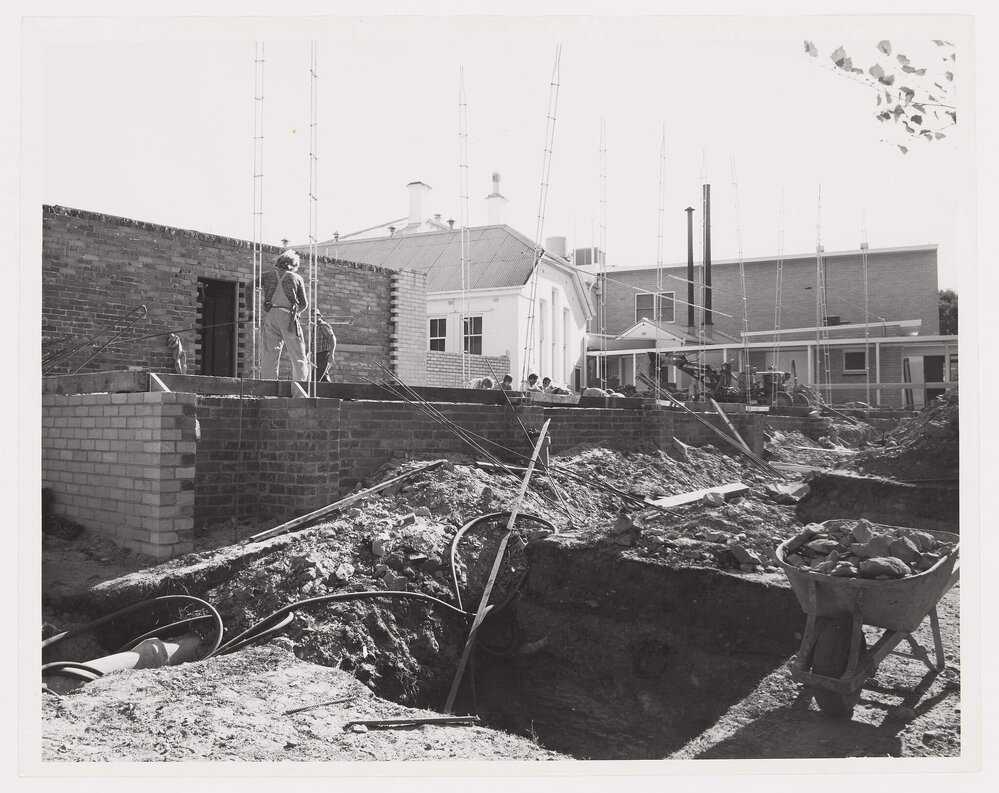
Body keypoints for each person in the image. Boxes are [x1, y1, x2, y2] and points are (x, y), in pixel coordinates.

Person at [259, 250, 309, 381]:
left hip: (271, 317)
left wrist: (250, 311)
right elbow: (304, 304)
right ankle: (299, 387)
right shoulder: (296, 278)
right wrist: (296, 313)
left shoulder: (267, 275)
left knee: (269, 355)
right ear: (294, 264)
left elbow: (249, 287)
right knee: (298, 354)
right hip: (288, 318)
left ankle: (268, 387)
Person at [312, 310, 337, 383]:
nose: (313, 318)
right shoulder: (315, 327)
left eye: (315, 316)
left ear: (319, 316)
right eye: (311, 316)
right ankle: (330, 390)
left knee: (315, 379)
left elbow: (333, 338)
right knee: (324, 379)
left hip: (323, 355)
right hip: (317, 356)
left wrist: (331, 354)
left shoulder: (323, 326)